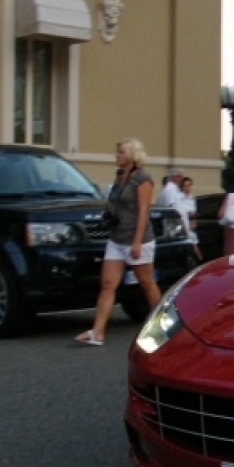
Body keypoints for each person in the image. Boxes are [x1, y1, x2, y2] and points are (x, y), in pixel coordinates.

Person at [76, 139, 161, 346]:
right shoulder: (119, 177)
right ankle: (97, 332)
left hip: (137, 238)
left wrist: (137, 242)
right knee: (107, 284)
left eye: (121, 153)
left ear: (132, 155)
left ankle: (162, 328)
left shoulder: (142, 179)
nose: (117, 156)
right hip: (116, 238)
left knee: (146, 283)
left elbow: (143, 212)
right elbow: (116, 203)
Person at [176, 175, 201, 260]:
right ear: (182, 187)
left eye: (189, 185)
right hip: (182, 225)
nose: (188, 188)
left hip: (189, 226)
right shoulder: (178, 197)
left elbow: (192, 212)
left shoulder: (192, 198)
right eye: (185, 185)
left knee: (194, 244)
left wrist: (194, 222)